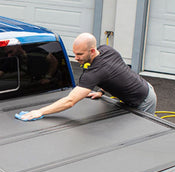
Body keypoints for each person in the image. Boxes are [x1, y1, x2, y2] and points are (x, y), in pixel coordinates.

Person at [20, 33, 157, 120]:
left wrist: (40, 111)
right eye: (75, 53)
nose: (76, 58)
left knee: (140, 133)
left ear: (92, 51)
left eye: (80, 54)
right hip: (142, 88)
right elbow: (118, 70)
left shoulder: (94, 72)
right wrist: (101, 91)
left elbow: (70, 101)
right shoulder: (106, 50)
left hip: (143, 99)